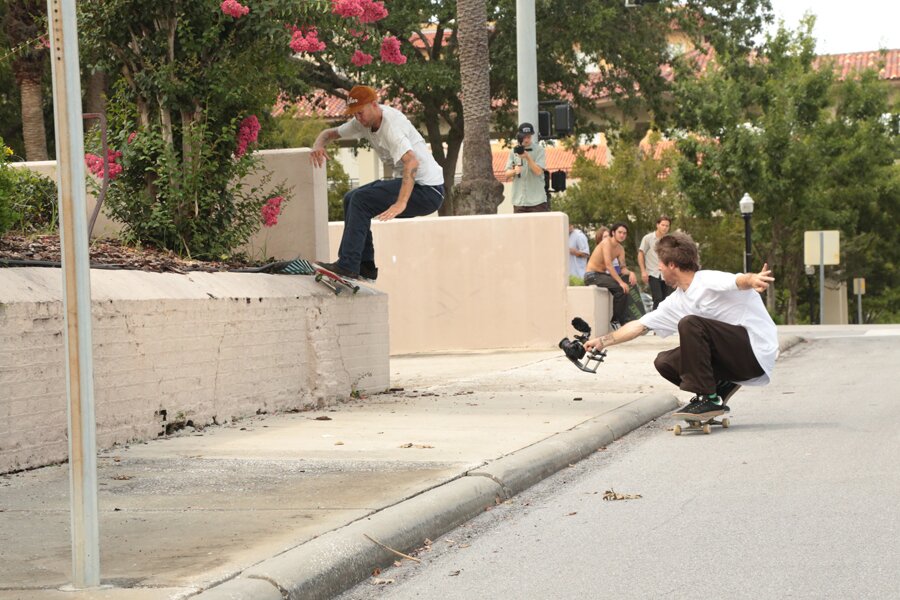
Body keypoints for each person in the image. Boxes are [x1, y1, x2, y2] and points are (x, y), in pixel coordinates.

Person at [584, 232, 778, 420]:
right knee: (665, 362)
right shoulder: (675, 301)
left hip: (755, 350)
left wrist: (753, 279)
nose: (659, 269)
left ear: (672, 265)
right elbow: (640, 326)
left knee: (690, 323)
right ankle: (718, 389)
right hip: (735, 360)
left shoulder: (706, 280)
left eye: (660, 263)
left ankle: (708, 398)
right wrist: (602, 341)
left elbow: (739, 280)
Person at [310, 85, 445, 280]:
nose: (358, 118)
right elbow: (329, 133)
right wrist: (318, 145)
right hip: (416, 187)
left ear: (374, 105)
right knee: (351, 199)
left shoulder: (392, 126)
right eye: (355, 114)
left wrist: (401, 203)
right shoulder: (361, 122)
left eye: (361, 113)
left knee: (361, 200)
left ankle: (348, 265)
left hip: (428, 191)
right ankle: (365, 266)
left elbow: (412, 163)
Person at [583, 222, 637, 327]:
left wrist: (631, 273)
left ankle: (623, 320)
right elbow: (609, 265)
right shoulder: (606, 243)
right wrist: (620, 282)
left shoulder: (620, 249)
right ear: (613, 232)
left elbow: (623, 269)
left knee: (625, 287)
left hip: (602, 275)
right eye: (620, 232)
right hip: (592, 275)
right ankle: (616, 321)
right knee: (621, 287)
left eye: (624, 233)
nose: (622, 235)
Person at [504, 123, 547, 213]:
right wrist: (514, 171)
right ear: (519, 136)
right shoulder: (513, 151)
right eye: (524, 137)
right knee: (519, 227)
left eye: (529, 137)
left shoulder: (539, 150)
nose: (527, 139)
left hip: (537, 201)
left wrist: (527, 157)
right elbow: (506, 173)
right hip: (519, 201)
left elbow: (539, 171)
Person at [638, 215, 674, 310]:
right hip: (653, 273)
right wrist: (643, 271)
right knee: (657, 298)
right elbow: (641, 254)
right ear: (657, 225)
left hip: (666, 274)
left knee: (667, 300)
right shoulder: (648, 238)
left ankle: (664, 323)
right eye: (663, 225)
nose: (665, 228)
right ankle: (654, 324)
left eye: (667, 226)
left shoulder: (669, 241)